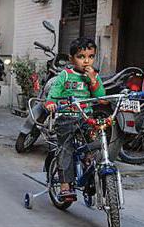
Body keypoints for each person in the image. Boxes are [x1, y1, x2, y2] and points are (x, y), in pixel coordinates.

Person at [44, 37, 105, 202]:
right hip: (66, 118)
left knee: (97, 143)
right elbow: (54, 92)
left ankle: (90, 168)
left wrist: (92, 79)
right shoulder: (65, 74)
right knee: (66, 148)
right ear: (72, 59)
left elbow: (101, 98)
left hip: (86, 118)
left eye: (91, 56)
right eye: (81, 56)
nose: (86, 60)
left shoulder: (94, 75)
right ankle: (65, 185)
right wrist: (51, 103)